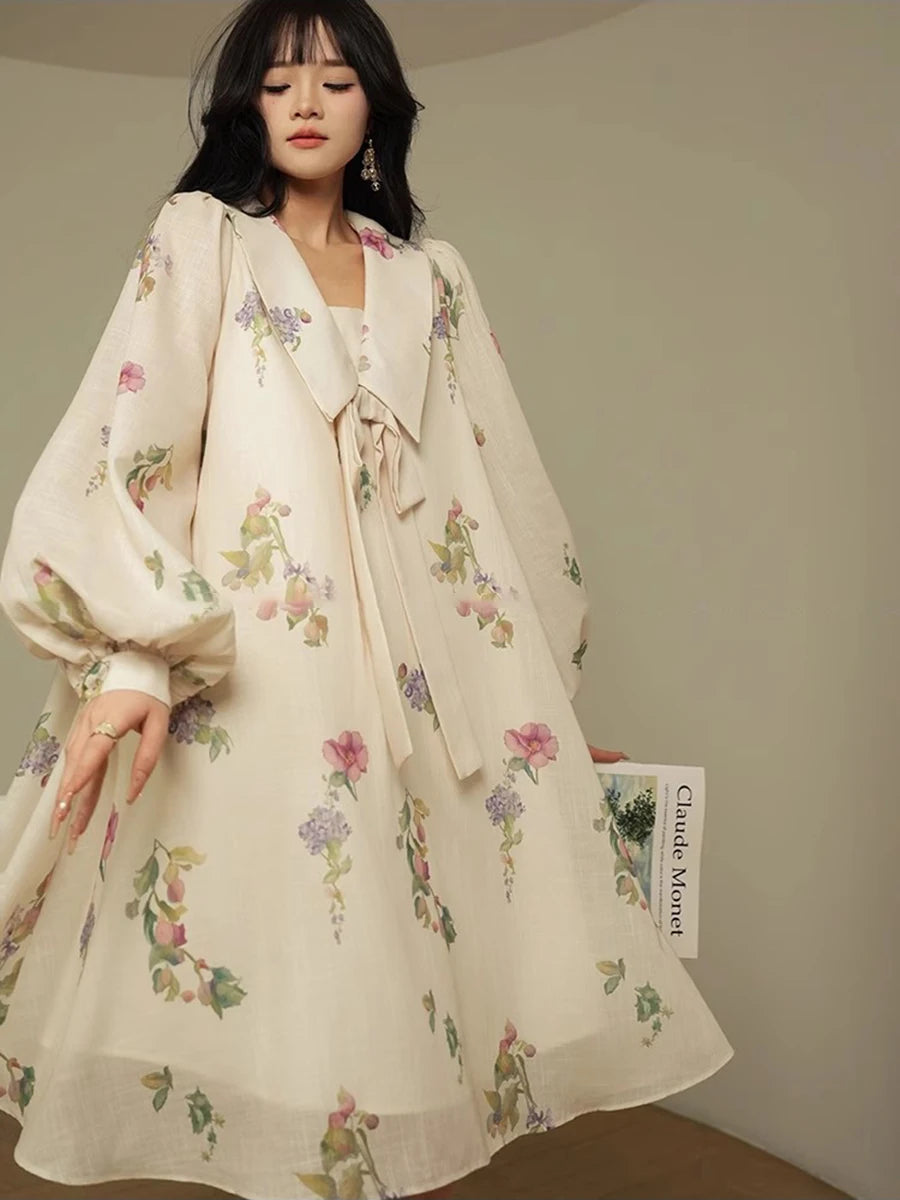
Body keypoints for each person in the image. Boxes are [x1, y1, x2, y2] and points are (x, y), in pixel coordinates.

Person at [0, 2, 733, 1198]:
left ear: (375, 107)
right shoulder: (203, 243)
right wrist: (132, 658)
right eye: (280, 80)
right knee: (282, 935)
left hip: (421, 675)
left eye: (336, 81)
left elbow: (494, 488)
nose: (306, 102)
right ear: (243, 103)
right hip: (261, 662)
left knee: (391, 960)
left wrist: (534, 705)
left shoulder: (429, 280)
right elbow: (137, 450)